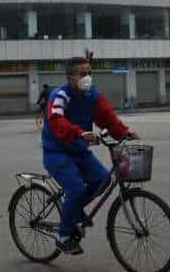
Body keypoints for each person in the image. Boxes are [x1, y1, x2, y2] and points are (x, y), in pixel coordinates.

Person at [42, 57, 137, 255]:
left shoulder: (91, 94)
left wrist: (123, 132)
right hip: (57, 152)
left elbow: (107, 115)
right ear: (71, 78)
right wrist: (78, 132)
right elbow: (57, 121)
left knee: (103, 180)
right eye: (82, 74)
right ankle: (62, 236)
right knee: (76, 189)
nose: (88, 78)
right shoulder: (59, 96)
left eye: (89, 73)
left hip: (79, 150)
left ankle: (73, 210)